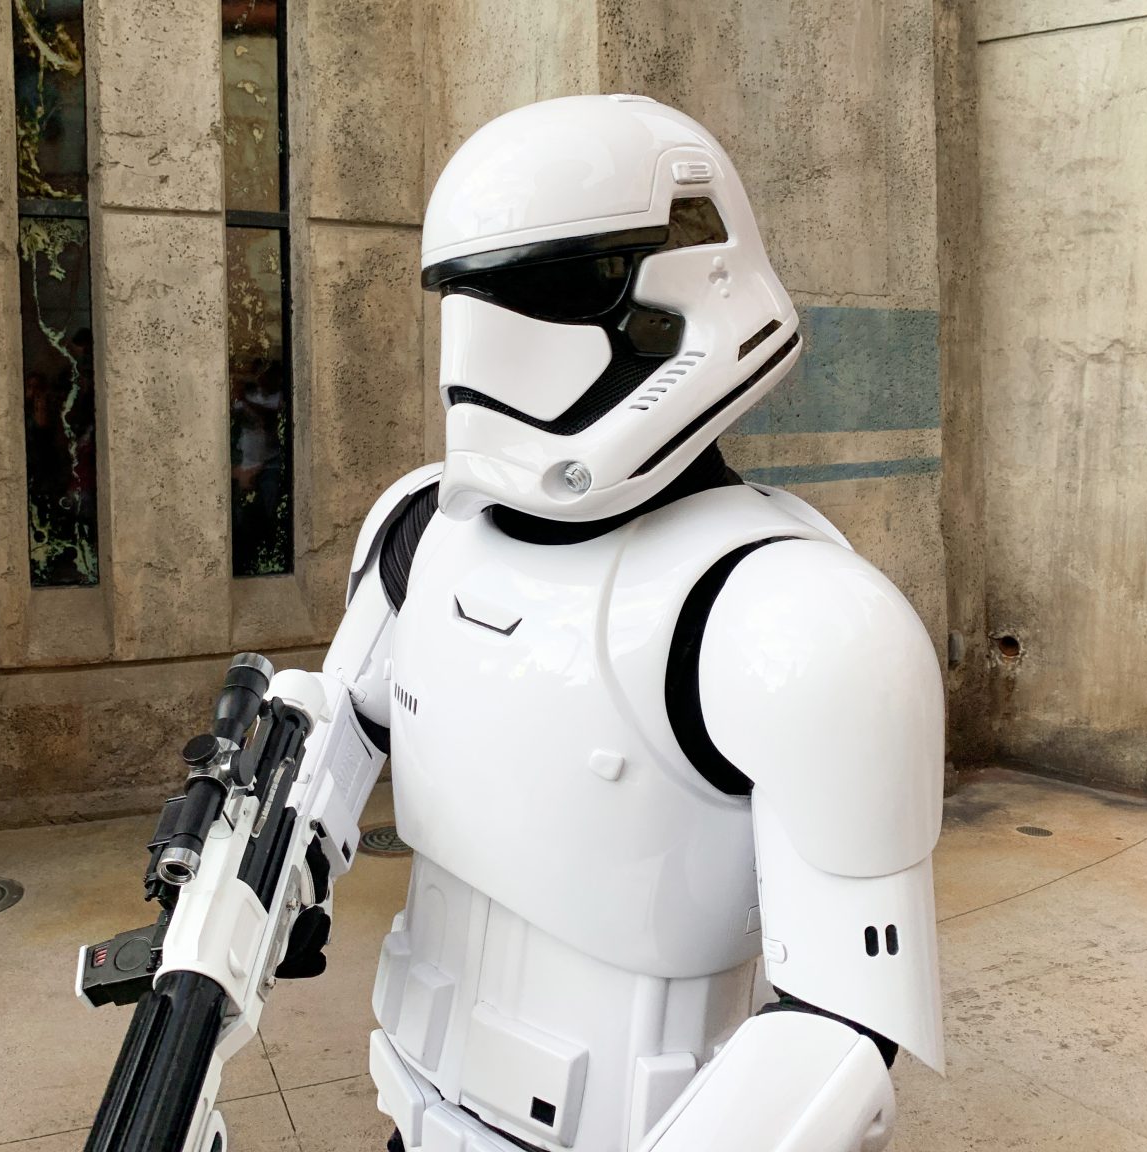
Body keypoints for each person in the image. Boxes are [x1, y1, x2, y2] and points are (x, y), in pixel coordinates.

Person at [253, 94, 944, 1152]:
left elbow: (840, 1033)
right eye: (468, 294)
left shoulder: (797, 618)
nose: (488, 340)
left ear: (691, 282)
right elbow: (336, 733)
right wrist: (253, 876)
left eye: (549, 288)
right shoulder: (420, 532)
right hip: (409, 1105)